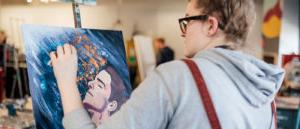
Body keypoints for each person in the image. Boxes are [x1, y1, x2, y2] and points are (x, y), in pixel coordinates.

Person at [50, 0, 285, 129]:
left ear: (211, 26)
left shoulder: (179, 78)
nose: (182, 32)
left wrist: (66, 81)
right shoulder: (264, 91)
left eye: (187, 21)